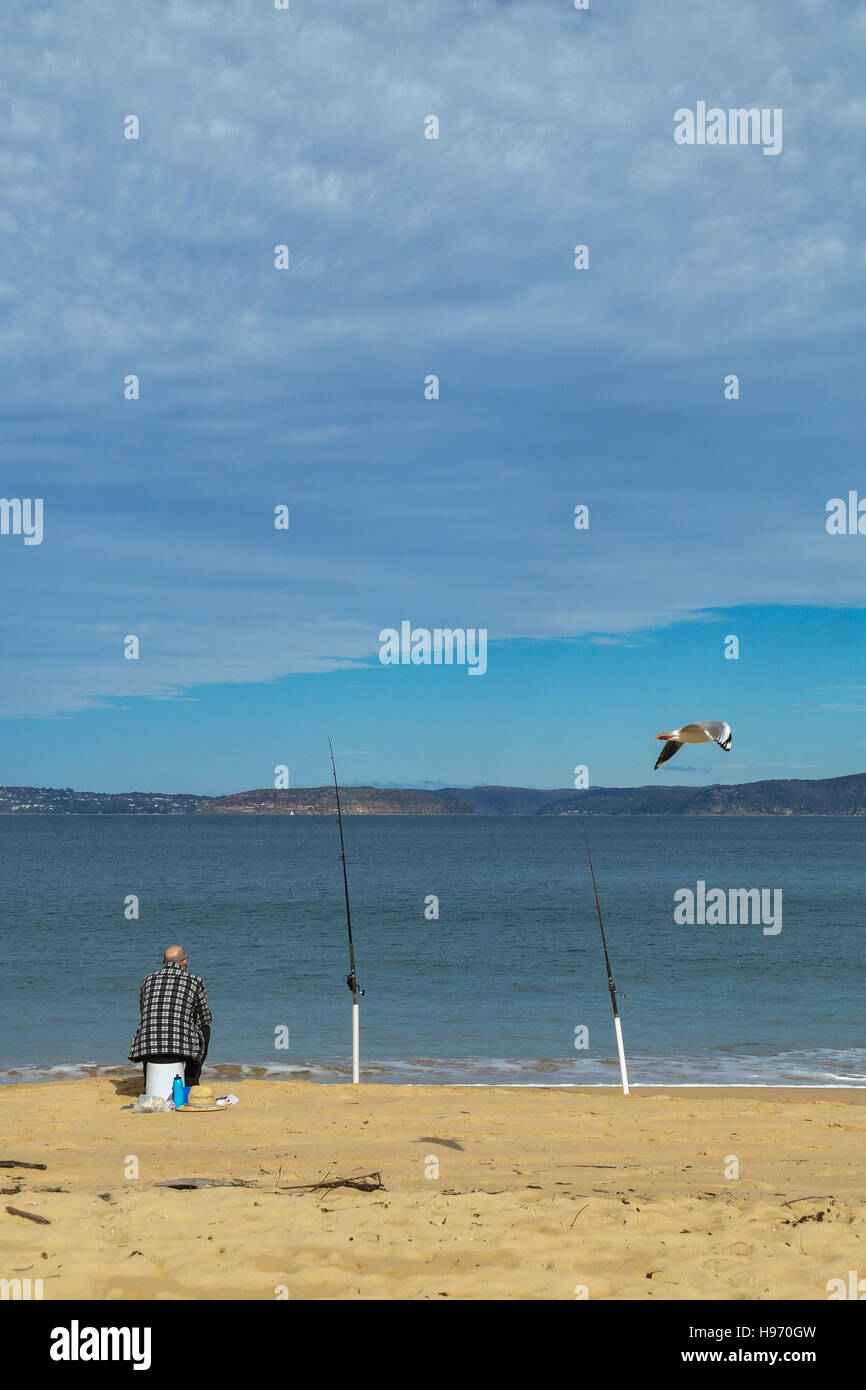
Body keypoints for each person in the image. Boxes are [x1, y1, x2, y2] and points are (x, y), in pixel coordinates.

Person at [129, 946, 212, 1089]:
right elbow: (203, 1017)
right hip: (181, 1049)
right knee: (205, 1028)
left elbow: (143, 1011)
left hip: (148, 1049)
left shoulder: (147, 980)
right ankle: (191, 1080)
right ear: (184, 962)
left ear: (163, 962)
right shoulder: (195, 981)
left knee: (151, 1024)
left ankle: (148, 1081)